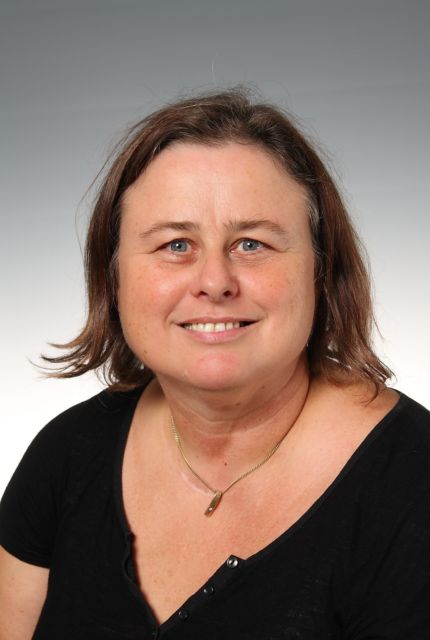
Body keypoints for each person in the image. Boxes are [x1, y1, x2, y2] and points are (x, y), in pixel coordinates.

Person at [0, 88, 429, 640]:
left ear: (322, 271)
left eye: (251, 244)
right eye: (176, 245)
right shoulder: (68, 452)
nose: (214, 282)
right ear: (114, 277)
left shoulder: (412, 486)